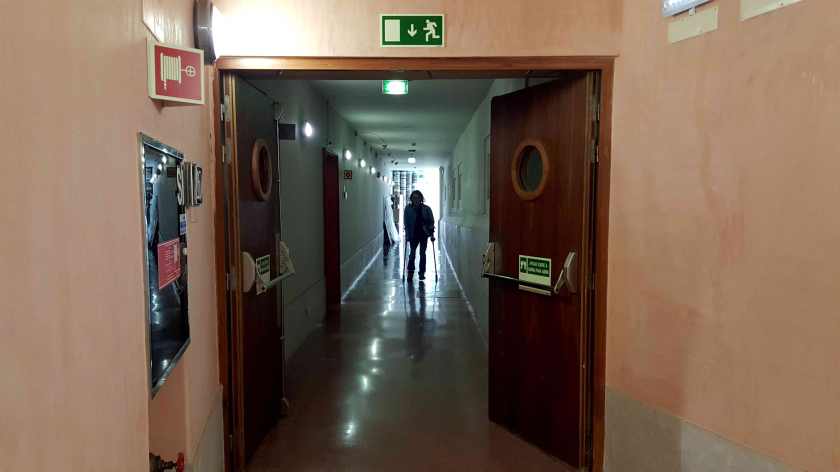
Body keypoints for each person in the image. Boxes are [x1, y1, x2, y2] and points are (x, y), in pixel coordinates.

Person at [403, 190, 435, 280]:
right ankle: (410, 272)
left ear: (421, 198)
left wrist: (431, 234)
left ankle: (421, 273)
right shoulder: (408, 209)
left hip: (424, 235)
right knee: (412, 254)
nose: (415, 199)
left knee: (422, 254)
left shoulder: (426, 209)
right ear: (411, 199)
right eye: (413, 198)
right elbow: (406, 223)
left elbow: (431, 222)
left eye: (417, 198)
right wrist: (407, 235)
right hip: (413, 235)